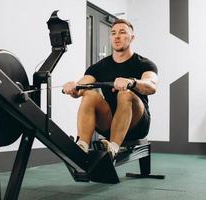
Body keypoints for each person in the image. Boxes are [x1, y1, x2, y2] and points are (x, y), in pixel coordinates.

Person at [62, 19, 158, 158]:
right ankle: (82, 146)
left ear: (132, 38)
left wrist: (131, 82)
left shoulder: (144, 63)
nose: (117, 36)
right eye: (113, 33)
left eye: (122, 32)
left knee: (125, 94)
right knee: (89, 94)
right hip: (110, 123)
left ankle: (113, 149)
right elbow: (81, 88)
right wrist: (72, 88)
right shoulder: (100, 66)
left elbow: (151, 86)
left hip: (137, 124)